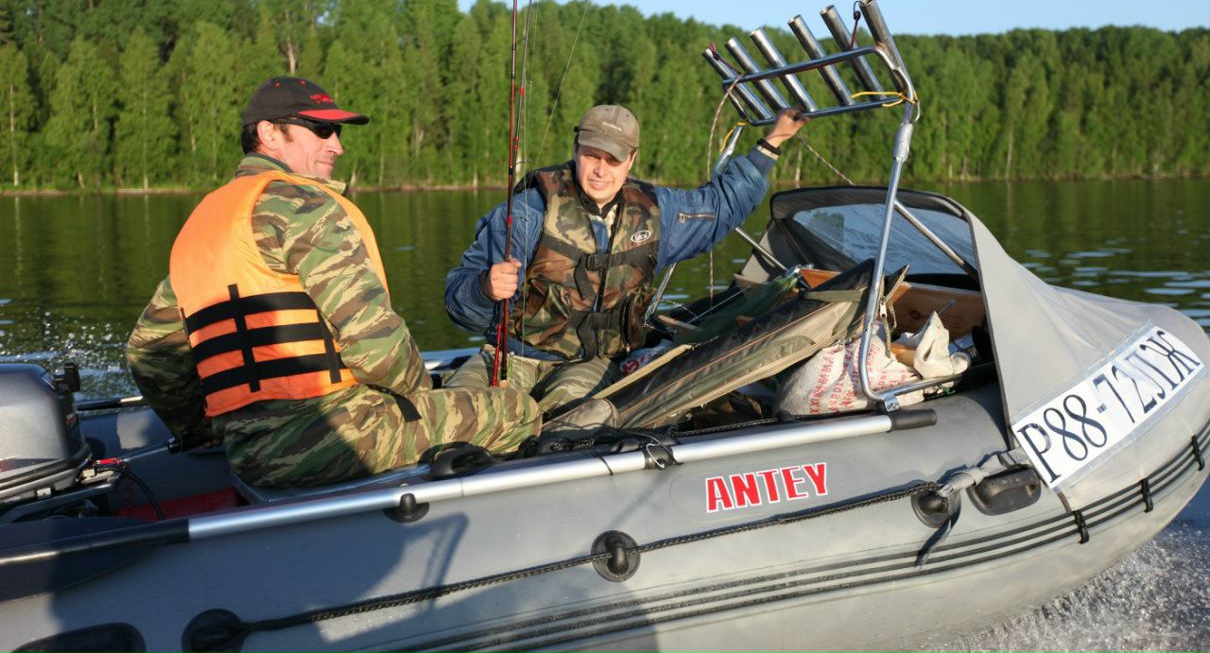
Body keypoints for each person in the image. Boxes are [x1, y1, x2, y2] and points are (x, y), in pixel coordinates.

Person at [127, 77, 541, 488]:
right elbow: (377, 349)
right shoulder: (303, 207)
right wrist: (420, 395)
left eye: (337, 131)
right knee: (517, 410)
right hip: (338, 434)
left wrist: (205, 431)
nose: (337, 145)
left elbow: (149, 353)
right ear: (270, 133)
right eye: (321, 130)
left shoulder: (201, 224)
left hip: (246, 452)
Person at [443, 103, 807, 415]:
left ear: (631, 159)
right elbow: (459, 307)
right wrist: (483, 290)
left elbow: (720, 207)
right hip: (511, 359)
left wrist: (770, 144)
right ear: (576, 149)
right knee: (452, 415)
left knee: (572, 420)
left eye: (613, 159)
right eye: (592, 155)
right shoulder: (527, 213)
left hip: (589, 366)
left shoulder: (658, 213)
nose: (601, 170)